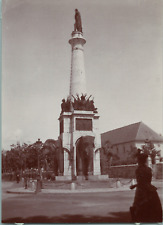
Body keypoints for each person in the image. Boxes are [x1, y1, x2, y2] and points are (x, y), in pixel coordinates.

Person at [130, 149, 162, 222]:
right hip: (150, 189)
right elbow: (146, 181)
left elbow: (141, 182)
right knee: (153, 206)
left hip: (142, 190)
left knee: (140, 206)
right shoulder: (148, 169)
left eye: (138, 160)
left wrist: (134, 185)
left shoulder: (138, 170)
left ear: (140, 161)